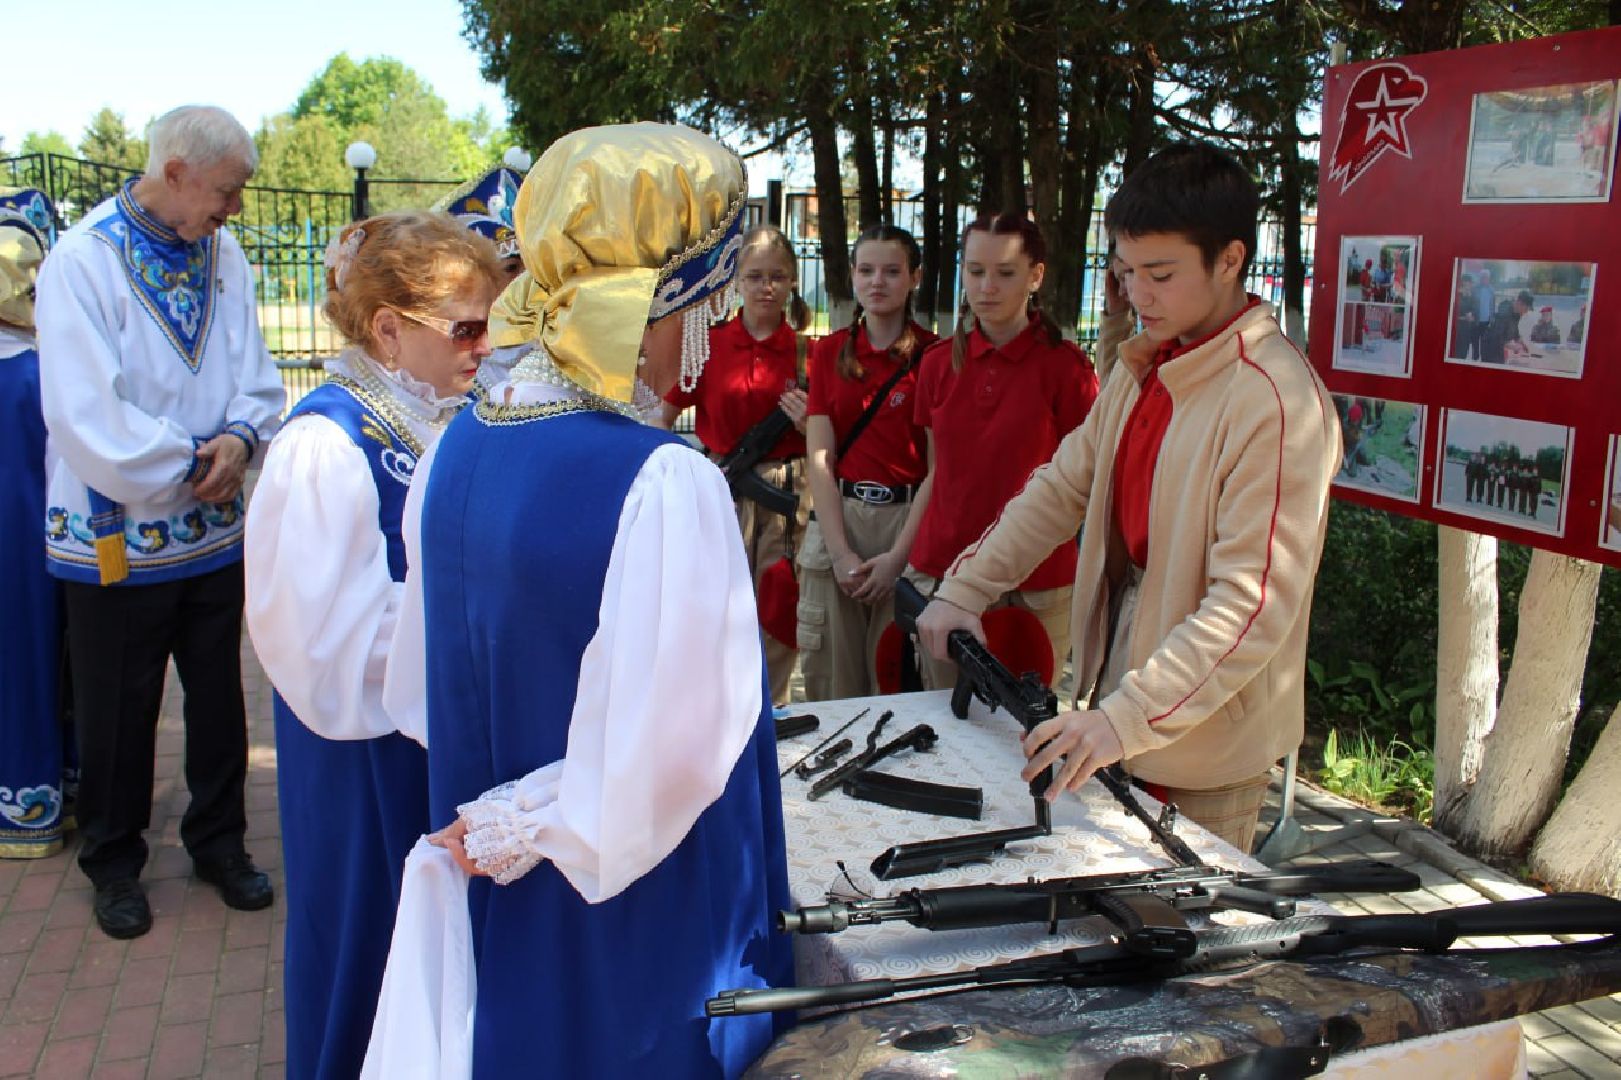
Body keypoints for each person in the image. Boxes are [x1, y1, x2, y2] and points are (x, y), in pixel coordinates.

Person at [367, 122, 793, 1078]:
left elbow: (416, 691)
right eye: (712, 292)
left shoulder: (451, 449)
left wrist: (515, 818)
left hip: (500, 867)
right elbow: (675, 752)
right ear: (672, 290)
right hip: (636, 899)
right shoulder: (660, 478)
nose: (719, 318)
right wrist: (542, 823)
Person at [916, 143, 1339, 854]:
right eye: (1125, 272)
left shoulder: (1273, 400)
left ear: (1229, 260)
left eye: (1160, 274)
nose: (1137, 295)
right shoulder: (1147, 364)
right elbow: (1060, 485)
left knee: (1180, 940)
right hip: (1117, 708)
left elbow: (1252, 601)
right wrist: (966, 587)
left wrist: (1126, 715)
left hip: (1202, 745)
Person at [244, 211, 502, 1080]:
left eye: (490, 322)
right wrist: (479, 623)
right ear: (388, 328)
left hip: (425, 736)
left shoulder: (431, 416)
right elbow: (321, 643)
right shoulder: (324, 442)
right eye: (464, 327)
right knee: (368, 952)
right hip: (363, 761)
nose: (483, 346)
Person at [35, 105, 286, 938]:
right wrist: (191, 460)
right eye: (226, 190)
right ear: (175, 170)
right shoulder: (82, 259)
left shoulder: (226, 253)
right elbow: (81, 408)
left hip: (213, 532)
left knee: (219, 700)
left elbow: (254, 371)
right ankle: (112, 861)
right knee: (117, 709)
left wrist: (242, 439)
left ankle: (218, 843)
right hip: (116, 533)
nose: (235, 208)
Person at [904, 212, 1099, 692]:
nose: (987, 286)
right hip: (944, 574)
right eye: (975, 271)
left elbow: (1085, 481)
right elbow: (936, 474)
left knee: (1025, 734)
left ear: (1036, 275)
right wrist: (900, 558)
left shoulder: (1066, 369)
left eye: (1005, 273)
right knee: (945, 734)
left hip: (1036, 583)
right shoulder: (935, 363)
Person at [661, 224, 811, 706]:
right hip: (721, 487)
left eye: (777, 276)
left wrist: (810, 425)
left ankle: (773, 707)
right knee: (717, 605)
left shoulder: (810, 353)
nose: (766, 286)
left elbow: (832, 441)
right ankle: (718, 707)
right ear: (736, 283)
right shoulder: (709, 344)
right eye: (754, 276)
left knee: (777, 600)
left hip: (786, 493)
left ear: (792, 283)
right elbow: (663, 418)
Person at [798, 224, 938, 700]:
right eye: (866, 270)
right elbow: (820, 457)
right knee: (833, 683)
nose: (878, 282)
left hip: (906, 525)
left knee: (896, 682)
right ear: (853, 277)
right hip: (841, 520)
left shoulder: (934, 356)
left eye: (892, 271)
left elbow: (940, 467)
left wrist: (898, 558)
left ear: (915, 277)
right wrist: (839, 555)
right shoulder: (829, 352)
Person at [0, 188, 71, 860]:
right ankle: (42, 792)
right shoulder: (40, 371)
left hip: (22, 537)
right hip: (31, 539)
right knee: (37, 658)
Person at [435, 163, 530, 398]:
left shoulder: (567, 349)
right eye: (511, 268)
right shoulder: (446, 367)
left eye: (536, 267)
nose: (528, 281)